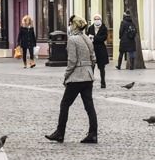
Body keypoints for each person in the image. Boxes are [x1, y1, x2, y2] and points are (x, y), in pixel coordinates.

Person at [45, 15, 99, 144]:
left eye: (70, 24)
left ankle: (60, 133)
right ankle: (93, 134)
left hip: (76, 77)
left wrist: (66, 75)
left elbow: (72, 60)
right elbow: (93, 58)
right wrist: (89, 70)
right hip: (88, 76)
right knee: (89, 106)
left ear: (73, 25)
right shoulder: (87, 38)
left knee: (65, 104)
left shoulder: (72, 40)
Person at [89, 14, 110, 89]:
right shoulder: (90, 28)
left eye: (98, 19)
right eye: (95, 19)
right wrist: (95, 38)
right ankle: (90, 83)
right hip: (92, 49)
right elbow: (88, 37)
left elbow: (104, 38)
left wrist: (94, 38)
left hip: (101, 50)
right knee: (92, 67)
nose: (96, 20)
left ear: (100, 20)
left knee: (102, 68)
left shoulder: (104, 28)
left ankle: (103, 83)